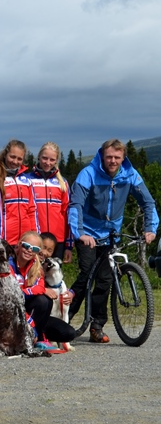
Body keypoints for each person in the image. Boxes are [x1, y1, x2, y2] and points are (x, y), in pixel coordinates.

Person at [67, 139, 158, 343]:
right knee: (86, 273)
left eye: (117, 157)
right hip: (87, 232)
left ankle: (96, 326)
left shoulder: (130, 174)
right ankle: (65, 319)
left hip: (111, 234)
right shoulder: (88, 174)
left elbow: (148, 202)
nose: (113, 161)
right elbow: (75, 205)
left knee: (106, 280)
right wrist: (79, 233)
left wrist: (150, 229)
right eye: (109, 157)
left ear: (123, 158)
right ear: (102, 155)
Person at [8, 231, 76, 347]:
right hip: (13, 312)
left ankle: (39, 337)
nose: (30, 250)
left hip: (35, 314)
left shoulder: (38, 266)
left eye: (35, 249)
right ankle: (33, 336)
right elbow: (12, 295)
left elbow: (52, 284)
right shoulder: (8, 264)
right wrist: (42, 290)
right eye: (26, 246)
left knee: (68, 333)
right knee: (43, 300)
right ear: (18, 245)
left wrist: (71, 292)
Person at [27, 142, 72, 262]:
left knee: (54, 273)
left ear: (56, 161)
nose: (48, 162)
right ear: (38, 157)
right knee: (34, 272)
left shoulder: (62, 183)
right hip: (36, 238)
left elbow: (67, 214)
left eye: (52, 160)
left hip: (58, 241)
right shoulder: (28, 180)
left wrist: (69, 245)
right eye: (45, 158)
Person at [0, 139, 37, 245]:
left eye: (19, 159)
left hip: (25, 240)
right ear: (5, 154)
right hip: (5, 239)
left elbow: (32, 210)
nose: (15, 162)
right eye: (12, 157)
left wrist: (35, 235)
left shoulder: (27, 180)